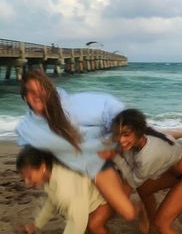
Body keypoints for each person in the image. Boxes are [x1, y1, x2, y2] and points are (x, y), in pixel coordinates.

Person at [16, 69, 140, 222]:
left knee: (128, 213)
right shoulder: (28, 128)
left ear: (48, 90)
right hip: (70, 169)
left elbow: (111, 109)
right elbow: (30, 155)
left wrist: (113, 140)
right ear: (25, 96)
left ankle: (136, 203)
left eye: (40, 89)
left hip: (96, 162)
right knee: (67, 202)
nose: (36, 95)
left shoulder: (70, 105)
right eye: (30, 91)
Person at [16, 145, 119, 234]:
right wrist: (36, 224)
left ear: (42, 166)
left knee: (94, 225)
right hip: (85, 198)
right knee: (66, 209)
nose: (27, 182)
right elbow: (52, 201)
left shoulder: (65, 185)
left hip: (107, 195)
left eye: (29, 176)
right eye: (24, 178)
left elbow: (76, 223)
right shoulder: (51, 173)